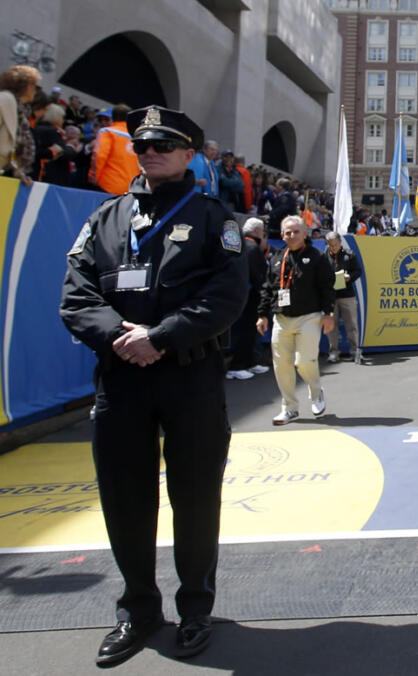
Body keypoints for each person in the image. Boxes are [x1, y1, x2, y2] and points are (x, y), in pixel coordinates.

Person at [60, 106, 247, 666]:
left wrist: (160, 337)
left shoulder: (218, 218)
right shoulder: (106, 218)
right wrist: (121, 337)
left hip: (189, 374)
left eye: (165, 143)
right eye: (143, 146)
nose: (152, 152)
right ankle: (138, 610)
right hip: (121, 377)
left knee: (193, 495)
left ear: (190, 153)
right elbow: (76, 295)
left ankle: (194, 608)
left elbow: (227, 296)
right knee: (124, 498)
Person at [256, 215, 335, 425]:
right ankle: (289, 407)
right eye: (287, 232)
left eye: (296, 231)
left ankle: (316, 392)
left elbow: (327, 287)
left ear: (305, 233)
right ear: (282, 235)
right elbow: (268, 288)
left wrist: (328, 314)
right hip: (281, 318)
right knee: (281, 364)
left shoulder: (317, 257)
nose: (291, 235)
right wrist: (262, 314)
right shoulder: (276, 258)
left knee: (304, 361)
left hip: (309, 316)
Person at [227, 216, 271, 379]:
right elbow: (259, 276)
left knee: (249, 332)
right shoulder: (252, 248)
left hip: (239, 295)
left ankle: (249, 362)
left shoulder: (238, 244)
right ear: (257, 231)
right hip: (251, 297)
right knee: (248, 331)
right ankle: (237, 365)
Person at [324, 231, 363, 364]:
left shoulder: (349, 255)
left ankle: (355, 351)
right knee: (330, 326)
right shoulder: (324, 256)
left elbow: (358, 271)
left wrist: (349, 277)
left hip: (347, 295)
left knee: (352, 324)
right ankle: (333, 352)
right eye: (330, 245)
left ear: (340, 242)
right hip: (330, 296)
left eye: (335, 245)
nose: (333, 248)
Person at [0, 64, 39, 183]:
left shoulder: (21, 109)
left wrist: (18, 173)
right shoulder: (5, 100)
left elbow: (14, 147)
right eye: (35, 85)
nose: (36, 90)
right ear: (26, 85)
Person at [90, 104, 140, 195]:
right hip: (131, 190)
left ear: (113, 117)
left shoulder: (107, 132)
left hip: (108, 186)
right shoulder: (138, 137)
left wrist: (93, 178)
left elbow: (99, 156)